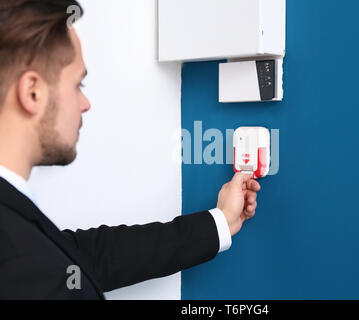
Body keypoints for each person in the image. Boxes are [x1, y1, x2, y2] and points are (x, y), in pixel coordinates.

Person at [0, 0, 261, 299]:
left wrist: (220, 221)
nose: (85, 104)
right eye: (77, 85)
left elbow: (85, 257)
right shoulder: (22, 264)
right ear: (32, 92)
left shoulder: (20, 236)